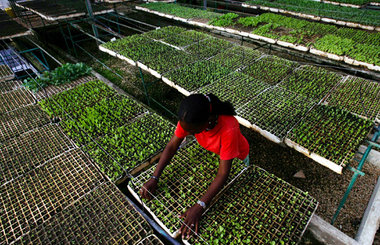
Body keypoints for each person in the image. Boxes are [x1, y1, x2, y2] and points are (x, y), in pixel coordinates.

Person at [140, 93, 250, 239]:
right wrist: (155, 176)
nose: (188, 133)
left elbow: (223, 173)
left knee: (231, 195)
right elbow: (172, 146)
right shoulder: (189, 119)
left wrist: (199, 206)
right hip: (215, 153)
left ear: (209, 120)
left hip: (237, 158)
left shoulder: (228, 128)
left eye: (192, 131)